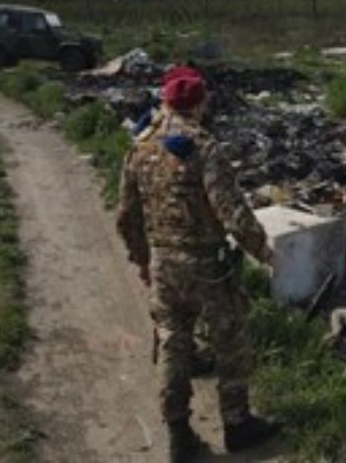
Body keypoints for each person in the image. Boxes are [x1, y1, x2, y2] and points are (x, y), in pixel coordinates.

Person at [116, 65, 279, 461]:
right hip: (206, 267)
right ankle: (238, 424)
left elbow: (126, 215)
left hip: (163, 264)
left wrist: (141, 259)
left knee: (173, 343)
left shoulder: (141, 146)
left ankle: (178, 433)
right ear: (200, 103)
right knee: (230, 341)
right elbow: (233, 214)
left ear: (167, 101)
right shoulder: (205, 149)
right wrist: (268, 255)